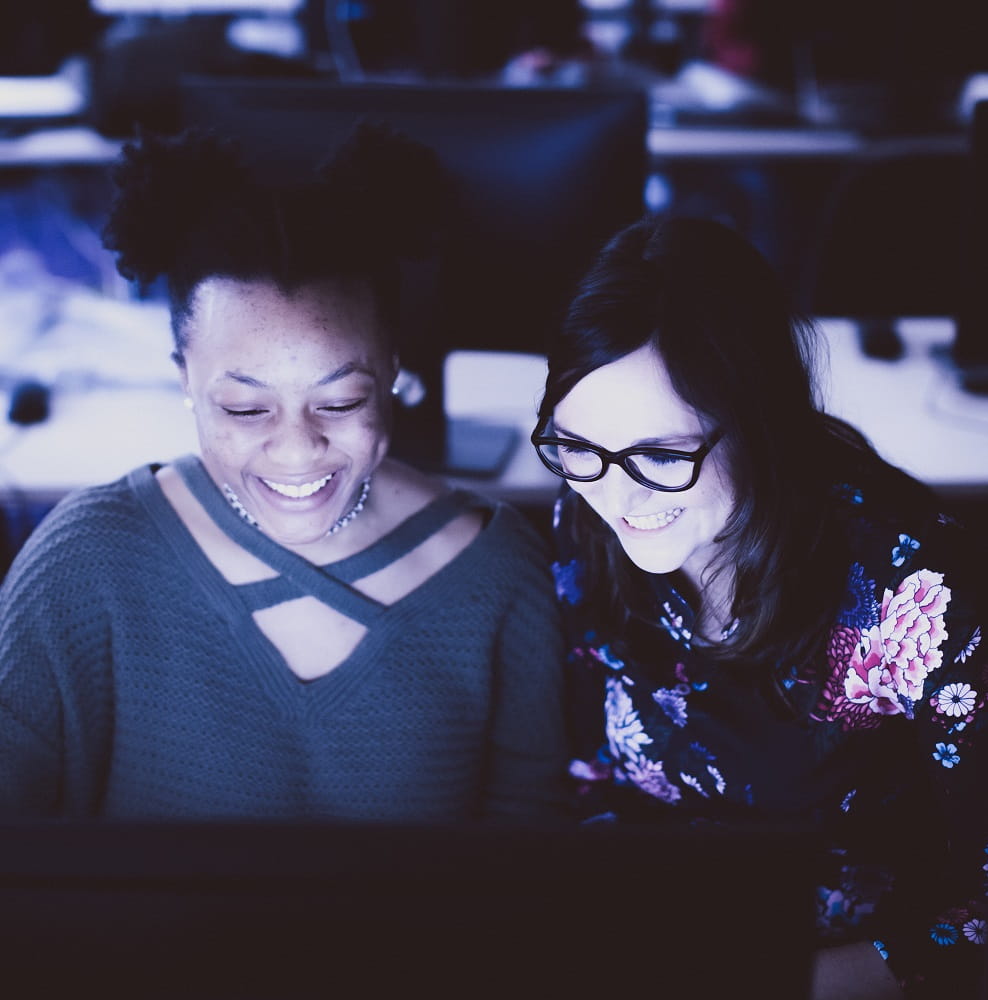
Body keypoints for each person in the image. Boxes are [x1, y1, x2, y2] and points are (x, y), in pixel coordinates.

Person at [0, 124, 568, 823]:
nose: (297, 450)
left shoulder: (498, 574)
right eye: (244, 407)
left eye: (340, 400)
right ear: (184, 379)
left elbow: (525, 874)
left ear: (394, 370)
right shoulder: (86, 567)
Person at [530, 214, 988, 998]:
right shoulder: (587, 523)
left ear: (761, 426)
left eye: (663, 455)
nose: (615, 493)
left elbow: (983, 902)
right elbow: (591, 787)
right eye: (576, 447)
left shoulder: (914, 587)